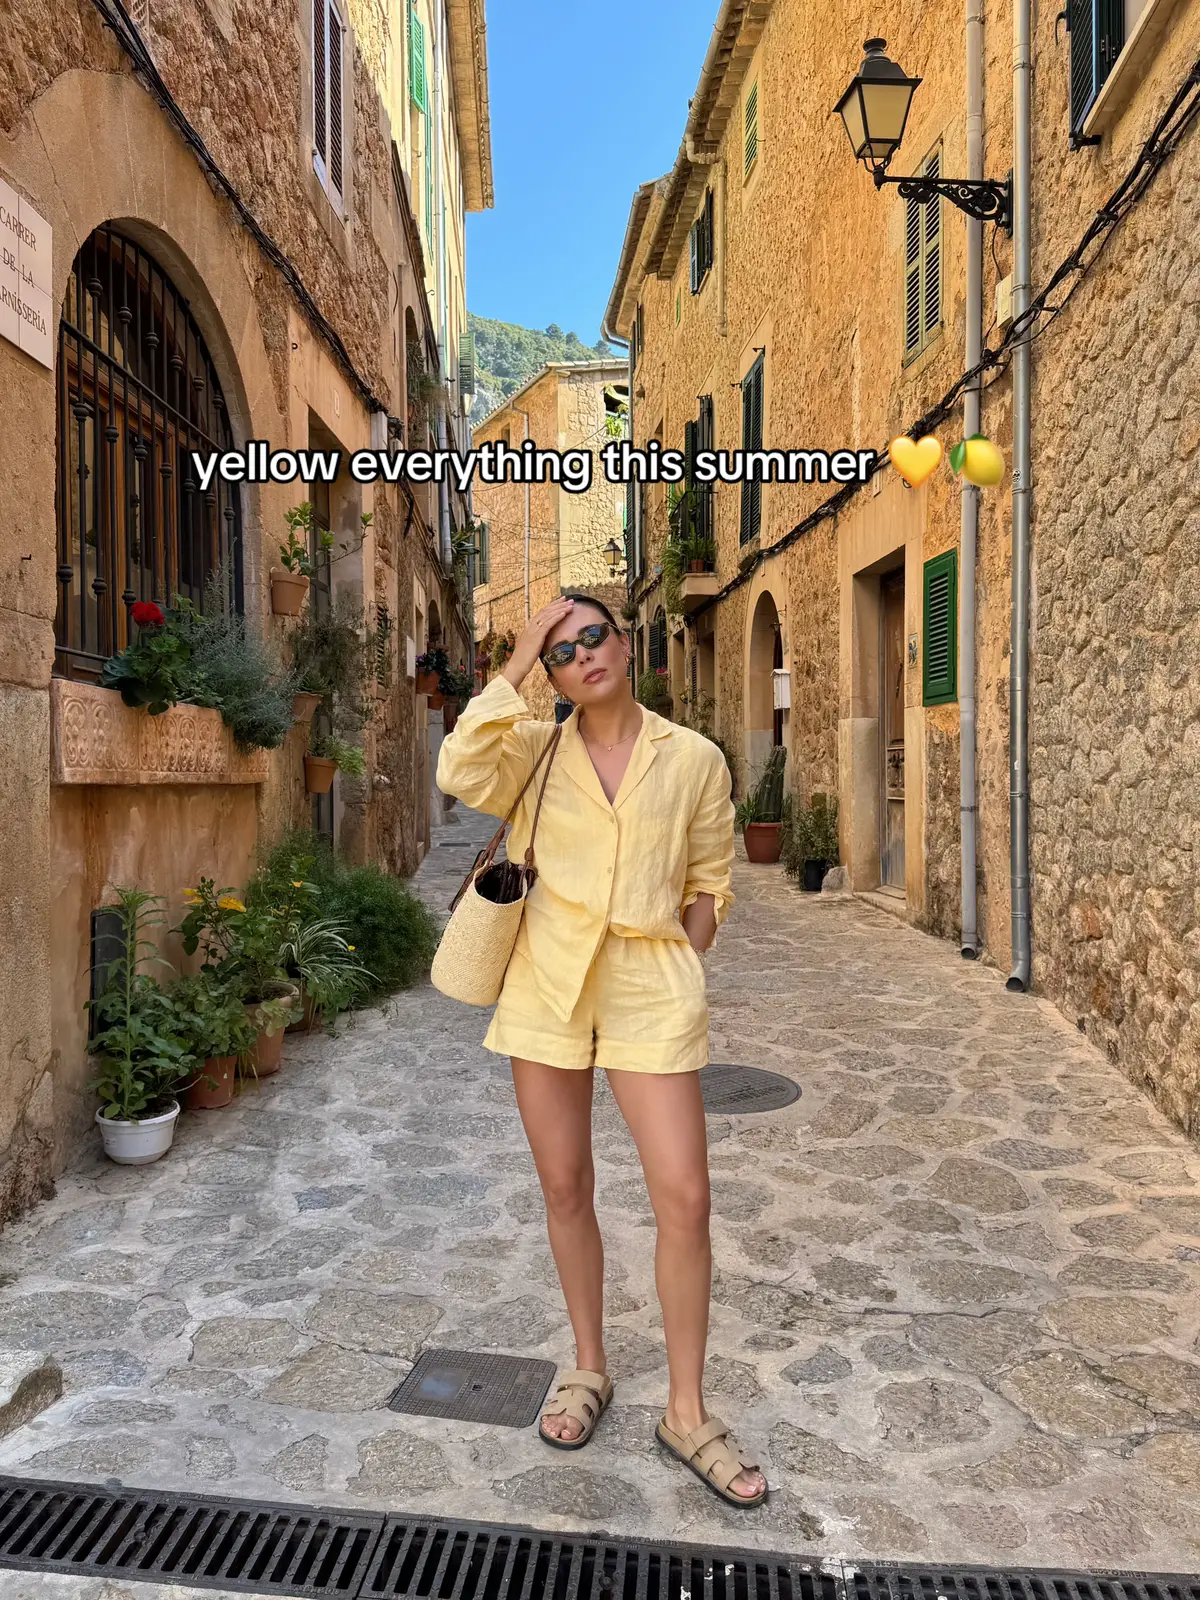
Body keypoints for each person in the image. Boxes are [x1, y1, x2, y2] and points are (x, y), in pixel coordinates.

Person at [436, 593, 767, 1508]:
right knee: (565, 1187)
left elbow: (710, 878)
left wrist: (686, 947)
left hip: (647, 989)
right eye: (561, 651)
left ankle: (687, 1411)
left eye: (593, 637)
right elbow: (457, 766)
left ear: (625, 645)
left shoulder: (692, 756)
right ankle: (589, 1365)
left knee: (686, 1197)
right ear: (550, 673)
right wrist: (514, 659)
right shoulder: (532, 750)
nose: (582, 655)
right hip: (546, 984)